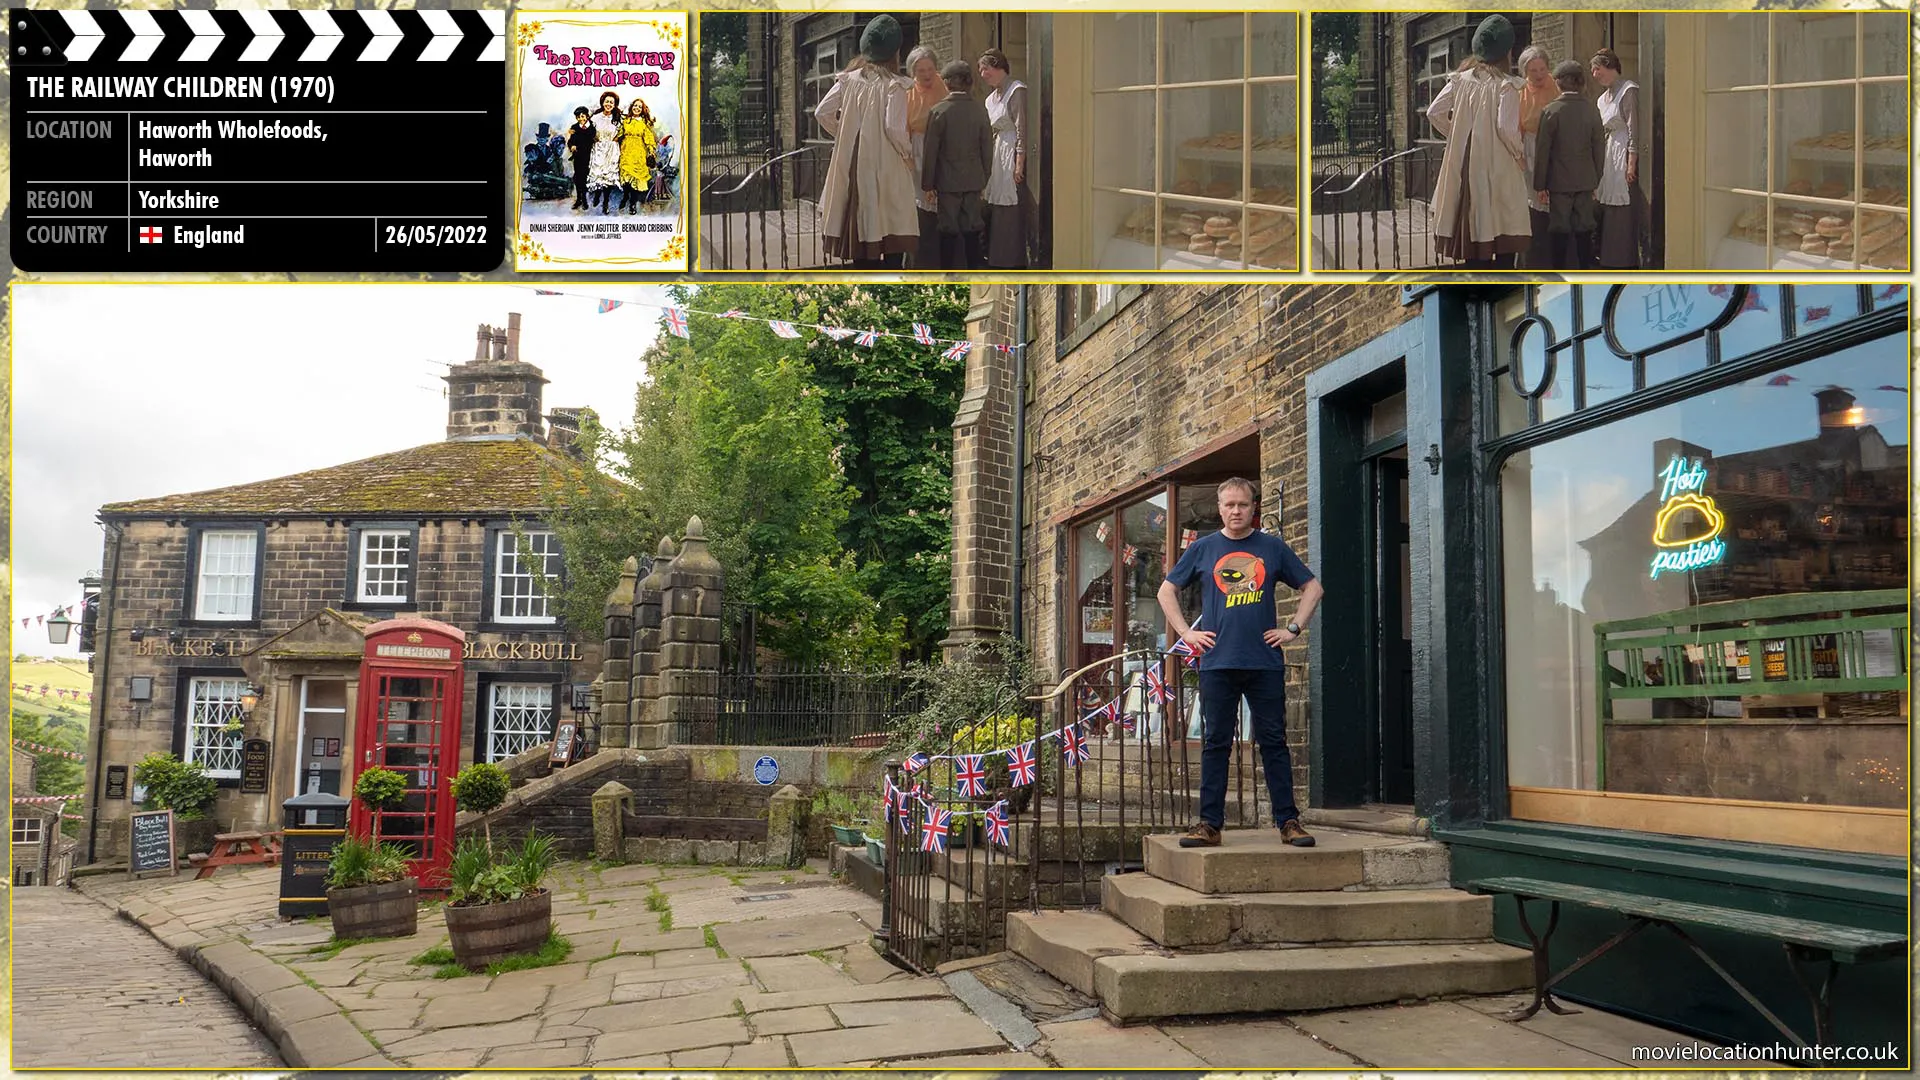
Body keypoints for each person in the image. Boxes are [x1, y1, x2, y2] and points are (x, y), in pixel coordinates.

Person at [1156, 478, 1326, 849]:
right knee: (1216, 742)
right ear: (1219, 507)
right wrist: (1186, 634)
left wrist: (1293, 628)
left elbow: (1313, 587)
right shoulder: (1203, 549)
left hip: (1264, 662)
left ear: (1253, 508)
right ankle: (1209, 824)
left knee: (1274, 742)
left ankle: (1289, 821)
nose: (1236, 511)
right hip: (1217, 662)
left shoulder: (1272, 548)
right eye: (1229, 505)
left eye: (1243, 505)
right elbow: (1166, 590)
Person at [1427, 15, 1531, 269]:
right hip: (1499, 162)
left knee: (1473, 219)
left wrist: (1457, 135)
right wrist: (1519, 156)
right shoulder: (1507, 85)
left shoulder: (1460, 81)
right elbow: (1506, 128)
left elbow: (1434, 112)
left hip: (1465, 162)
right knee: (1503, 219)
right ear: (1507, 51)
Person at [816, 15, 921, 269]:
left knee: (861, 219)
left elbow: (822, 112)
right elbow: (894, 128)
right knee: (892, 221)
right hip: (888, 162)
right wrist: (908, 155)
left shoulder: (848, 80)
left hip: (854, 162)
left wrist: (844, 136)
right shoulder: (894, 85)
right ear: (895, 51)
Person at [1532, 61, 1605, 271]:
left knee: (1559, 228)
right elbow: (1599, 147)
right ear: (1581, 83)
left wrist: (1540, 184)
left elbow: (1543, 151)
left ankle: (1559, 272)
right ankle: (1585, 270)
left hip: (1559, 182)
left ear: (1558, 83)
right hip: (1585, 180)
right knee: (1584, 227)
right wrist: (1595, 177)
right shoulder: (1592, 110)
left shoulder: (1551, 111)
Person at [922, 60, 993, 271]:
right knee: (973, 226)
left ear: (947, 83)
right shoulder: (980, 111)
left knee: (947, 228)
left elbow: (930, 151)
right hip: (973, 179)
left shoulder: (938, 111)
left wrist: (928, 183)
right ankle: (974, 269)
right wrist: (984, 177)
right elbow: (987, 148)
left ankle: (948, 273)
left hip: (947, 180)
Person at [979, 48, 1032, 270]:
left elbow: (1021, 127)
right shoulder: (990, 99)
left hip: (1011, 148)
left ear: (999, 66)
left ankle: (1013, 257)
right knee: (996, 201)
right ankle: (997, 257)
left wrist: (1019, 161)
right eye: (980, 70)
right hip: (998, 150)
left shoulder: (1016, 90)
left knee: (1011, 200)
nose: (982, 74)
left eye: (986, 68)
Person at [1591, 47, 1642, 270]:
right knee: (1607, 202)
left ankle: (1625, 258)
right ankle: (1608, 257)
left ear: (1611, 67)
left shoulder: (1628, 91)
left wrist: (1632, 160)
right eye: (1593, 71)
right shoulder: (1602, 99)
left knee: (1623, 201)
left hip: (1622, 149)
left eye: (1598, 69)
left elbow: (1634, 128)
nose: (1595, 74)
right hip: (1609, 151)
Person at [1516, 45, 1557, 269]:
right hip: (1530, 146)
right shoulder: (1520, 91)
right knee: (1533, 202)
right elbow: (1516, 126)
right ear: (1525, 71)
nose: (1540, 75)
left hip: (1553, 145)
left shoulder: (1556, 85)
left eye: (1542, 69)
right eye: (1534, 71)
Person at [905, 45, 945, 268]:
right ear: (913, 71)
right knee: (922, 204)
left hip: (942, 145)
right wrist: (909, 160)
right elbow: (903, 128)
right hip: (918, 147)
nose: (927, 74)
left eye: (930, 69)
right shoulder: (908, 91)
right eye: (921, 70)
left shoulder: (943, 84)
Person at [586, 91, 625, 215]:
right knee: (598, 174)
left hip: (612, 149)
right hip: (598, 148)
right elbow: (588, 131)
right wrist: (593, 138)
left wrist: (618, 137)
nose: (609, 104)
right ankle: (597, 194)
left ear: (615, 105)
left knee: (608, 176)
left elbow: (623, 131)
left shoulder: (618, 118)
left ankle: (606, 203)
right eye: (607, 101)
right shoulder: (595, 118)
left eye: (611, 102)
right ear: (603, 102)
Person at [618, 98, 659, 214]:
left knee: (635, 181)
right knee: (626, 179)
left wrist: (651, 151)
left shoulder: (644, 124)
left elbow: (649, 139)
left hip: (639, 154)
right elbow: (619, 134)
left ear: (642, 110)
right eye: (635, 106)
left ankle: (632, 204)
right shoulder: (626, 121)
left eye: (639, 107)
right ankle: (625, 197)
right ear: (632, 107)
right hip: (626, 153)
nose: (637, 108)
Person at [565, 107, 595, 211]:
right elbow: (570, 141)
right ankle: (579, 199)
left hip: (588, 157)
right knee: (578, 178)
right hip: (577, 157)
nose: (580, 119)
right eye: (578, 117)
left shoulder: (591, 127)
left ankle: (584, 199)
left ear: (587, 116)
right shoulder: (574, 127)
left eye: (582, 116)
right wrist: (571, 145)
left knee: (584, 178)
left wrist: (583, 130)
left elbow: (590, 140)